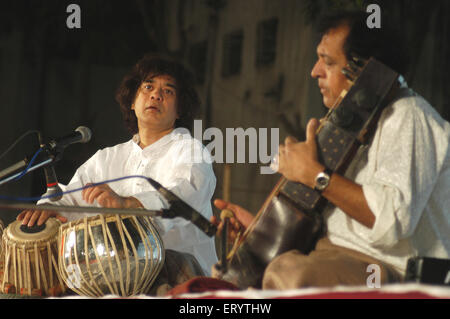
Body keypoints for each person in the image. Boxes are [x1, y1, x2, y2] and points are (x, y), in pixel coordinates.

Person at [211, 10, 450, 289]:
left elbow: (391, 221)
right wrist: (263, 233)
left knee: (290, 276)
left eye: (328, 61)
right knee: (226, 277)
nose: (315, 71)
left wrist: (315, 175)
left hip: (385, 270)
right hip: (327, 257)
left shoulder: (408, 115)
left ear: (365, 70)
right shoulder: (354, 126)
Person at [17, 54, 218, 281]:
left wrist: (130, 204)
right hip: (119, 275)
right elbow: (72, 198)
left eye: (168, 91)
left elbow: (185, 195)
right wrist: (48, 209)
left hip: (183, 278)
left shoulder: (190, 150)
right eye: (148, 87)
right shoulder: (108, 158)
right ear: (132, 102)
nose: (156, 95)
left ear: (179, 109)